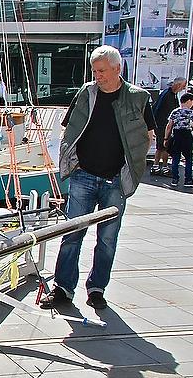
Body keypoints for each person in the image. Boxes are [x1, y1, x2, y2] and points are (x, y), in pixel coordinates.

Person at [41, 45, 155, 310]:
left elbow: (149, 135)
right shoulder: (86, 93)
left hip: (115, 179)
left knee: (107, 240)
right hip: (84, 176)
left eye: (102, 70)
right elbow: (68, 126)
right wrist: (72, 161)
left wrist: (133, 165)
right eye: (94, 70)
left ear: (117, 69)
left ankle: (96, 289)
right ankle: (63, 289)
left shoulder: (138, 98)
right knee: (71, 235)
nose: (98, 75)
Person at [150, 77, 186, 176]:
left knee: (161, 146)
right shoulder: (167, 94)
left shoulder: (172, 94)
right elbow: (157, 109)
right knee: (165, 146)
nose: (184, 88)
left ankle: (156, 166)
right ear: (178, 85)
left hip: (163, 124)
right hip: (162, 124)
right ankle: (164, 167)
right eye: (183, 86)